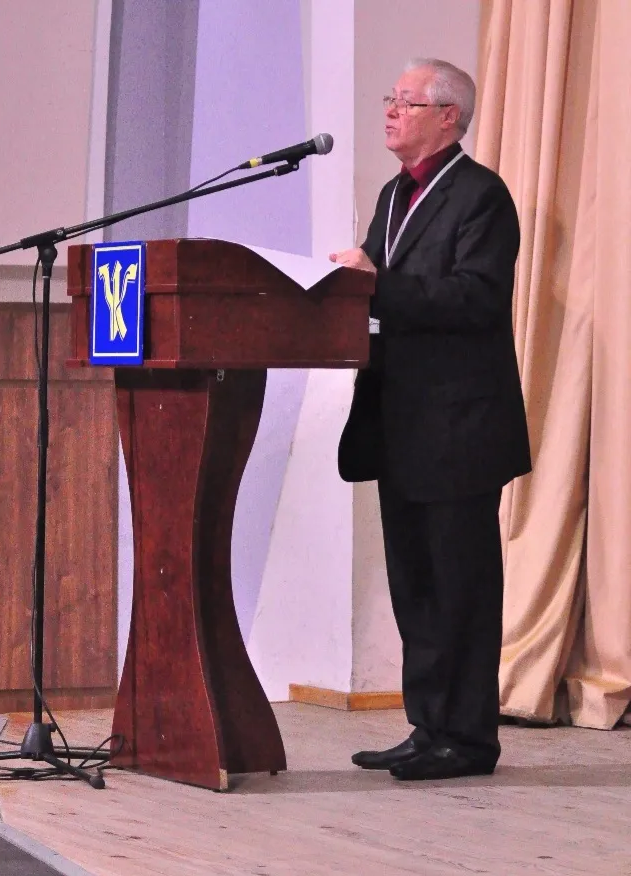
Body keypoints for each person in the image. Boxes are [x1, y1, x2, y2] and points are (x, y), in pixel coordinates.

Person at [331, 58, 531, 781]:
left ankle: (468, 740)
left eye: (407, 101)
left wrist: (375, 283)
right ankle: (429, 727)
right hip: (401, 418)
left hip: (460, 424)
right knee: (415, 585)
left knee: (460, 588)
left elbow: (476, 298)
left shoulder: (482, 196)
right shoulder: (394, 193)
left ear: (449, 116)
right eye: (390, 98)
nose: (390, 110)